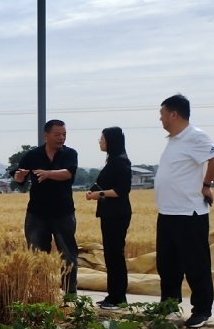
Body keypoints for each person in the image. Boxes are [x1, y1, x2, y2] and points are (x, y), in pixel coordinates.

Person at [154, 93, 214, 328]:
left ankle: (203, 310)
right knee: (167, 264)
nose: (161, 118)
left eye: (162, 114)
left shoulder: (195, 136)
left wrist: (206, 185)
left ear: (174, 114)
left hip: (189, 213)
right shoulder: (174, 140)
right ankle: (170, 305)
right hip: (168, 213)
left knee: (195, 264)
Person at [13, 119, 79, 295]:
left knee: (68, 254)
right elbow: (19, 178)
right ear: (46, 135)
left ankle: (69, 293)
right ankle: (39, 292)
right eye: (57, 134)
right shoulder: (32, 155)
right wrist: (19, 177)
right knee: (36, 254)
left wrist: (48, 173)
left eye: (64, 134)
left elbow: (68, 174)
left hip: (63, 212)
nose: (61, 138)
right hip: (37, 213)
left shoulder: (70, 154)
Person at [84, 126, 133, 309]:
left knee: (115, 256)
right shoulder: (113, 161)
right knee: (111, 256)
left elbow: (122, 190)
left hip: (117, 214)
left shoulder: (120, 162)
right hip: (110, 214)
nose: (100, 141)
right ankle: (113, 295)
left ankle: (118, 298)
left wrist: (100, 194)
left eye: (102, 138)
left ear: (110, 141)